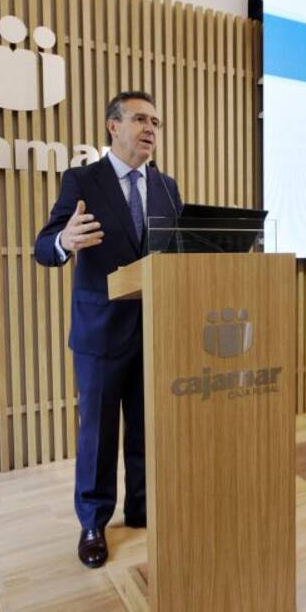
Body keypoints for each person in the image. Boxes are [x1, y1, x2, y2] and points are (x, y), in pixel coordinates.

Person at [34, 90, 182, 568]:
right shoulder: (83, 180)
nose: (151, 128)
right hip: (100, 331)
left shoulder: (166, 187)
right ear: (113, 126)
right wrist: (64, 239)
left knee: (146, 426)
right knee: (98, 434)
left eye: (155, 122)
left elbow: (177, 252)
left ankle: (142, 509)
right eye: (140, 119)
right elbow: (43, 246)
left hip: (154, 328)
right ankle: (94, 522)